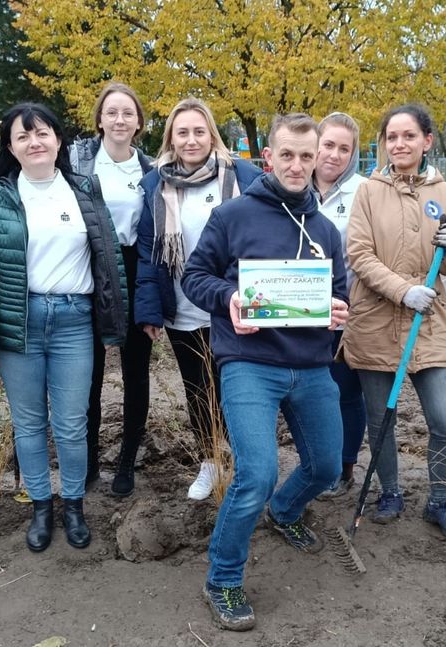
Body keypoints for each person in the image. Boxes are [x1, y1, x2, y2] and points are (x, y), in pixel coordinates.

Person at [182, 113, 349, 631]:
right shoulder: (233, 215)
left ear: (319, 156)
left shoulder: (325, 230)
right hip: (250, 364)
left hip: (311, 366)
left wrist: (337, 310)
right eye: (288, 155)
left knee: (326, 468)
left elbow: (338, 290)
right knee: (256, 472)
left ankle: (285, 512)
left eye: (308, 155)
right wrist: (229, 297)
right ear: (269, 158)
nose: (298, 165)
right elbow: (194, 277)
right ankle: (223, 579)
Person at [0, 102, 126, 552]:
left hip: (75, 322)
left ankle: (73, 504)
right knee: (30, 424)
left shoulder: (83, 189)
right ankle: (41, 505)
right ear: (10, 147)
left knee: (73, 425)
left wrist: (114, 324)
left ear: (58, 140)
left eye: (42, 134)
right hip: (20, 322)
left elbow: (109, 258)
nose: (34, 142)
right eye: (23, 136)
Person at [340, 103, 446, 540]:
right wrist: (402, 290)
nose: (399, 144)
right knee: (381, 420)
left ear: (426, 141)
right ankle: (390, 491)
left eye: (409, 136)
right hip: (376, 321)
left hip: (428, 323)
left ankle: (439, 500)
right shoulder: (368, 191)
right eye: (391, 137)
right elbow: (358, 254)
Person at [135, 98, 261, 500]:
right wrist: (150, 308)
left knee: (237, 389)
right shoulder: (156, 184)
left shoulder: (244, 177)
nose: (191, 140)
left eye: (199, 131)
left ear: (212, 135)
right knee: (197, 389)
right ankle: (210, 462)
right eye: (182, 132)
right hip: (183, 307)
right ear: (171, 136)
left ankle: (245, 462)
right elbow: (148, 251)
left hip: (233, 306)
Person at [68, 82, 154, 496]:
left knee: (136, 372)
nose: (119, 119)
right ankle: (87, 462)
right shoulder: (78, 162)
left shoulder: (151, 170)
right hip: (90, 269)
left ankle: (126, 461)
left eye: (127, 113)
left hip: (135, 270)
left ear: (139, 122)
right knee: (91, 373)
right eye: (111, 112)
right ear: (99, 119)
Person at [312, 112, 368, 498]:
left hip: (344, 313)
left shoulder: (364, 191)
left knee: (345, 391)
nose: (334, 155)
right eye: (328, 145)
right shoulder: (293, 186)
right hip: (297, 312)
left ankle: (345, 466)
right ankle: (316, 462)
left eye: (343, 148)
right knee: (310, 394)